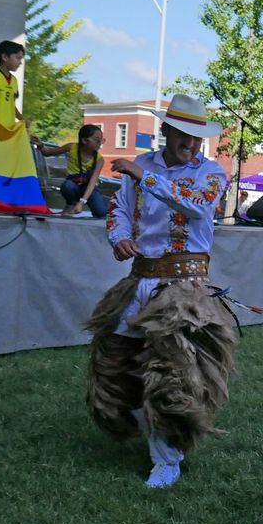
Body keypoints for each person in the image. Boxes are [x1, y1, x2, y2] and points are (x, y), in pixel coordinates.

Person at [84, 94, 235, 489]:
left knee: (172, 373)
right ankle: (153, 432)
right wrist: (118, 237)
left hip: (183, 287)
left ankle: (166, 459)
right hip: (140, 279)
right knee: (113, 363)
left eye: (196, 137)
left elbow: (198, 206)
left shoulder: (211, 173)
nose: (190, 143)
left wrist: (144, 177)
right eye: (183, 134)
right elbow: (119, 207)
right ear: (166, 130)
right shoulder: (142, 165)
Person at [31, 124, 107, 217]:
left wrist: (82, 202)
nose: (99, 143)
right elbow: (48, 153)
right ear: (84, 140)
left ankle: (84, 206)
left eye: (101, 140)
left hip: (88, 188)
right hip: (73, 185)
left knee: (101, 212)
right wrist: (40, 146)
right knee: (67, 185)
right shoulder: (71, 147)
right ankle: (71, 203)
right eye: (96, 140)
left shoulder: (100, 160)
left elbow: (92, 183)